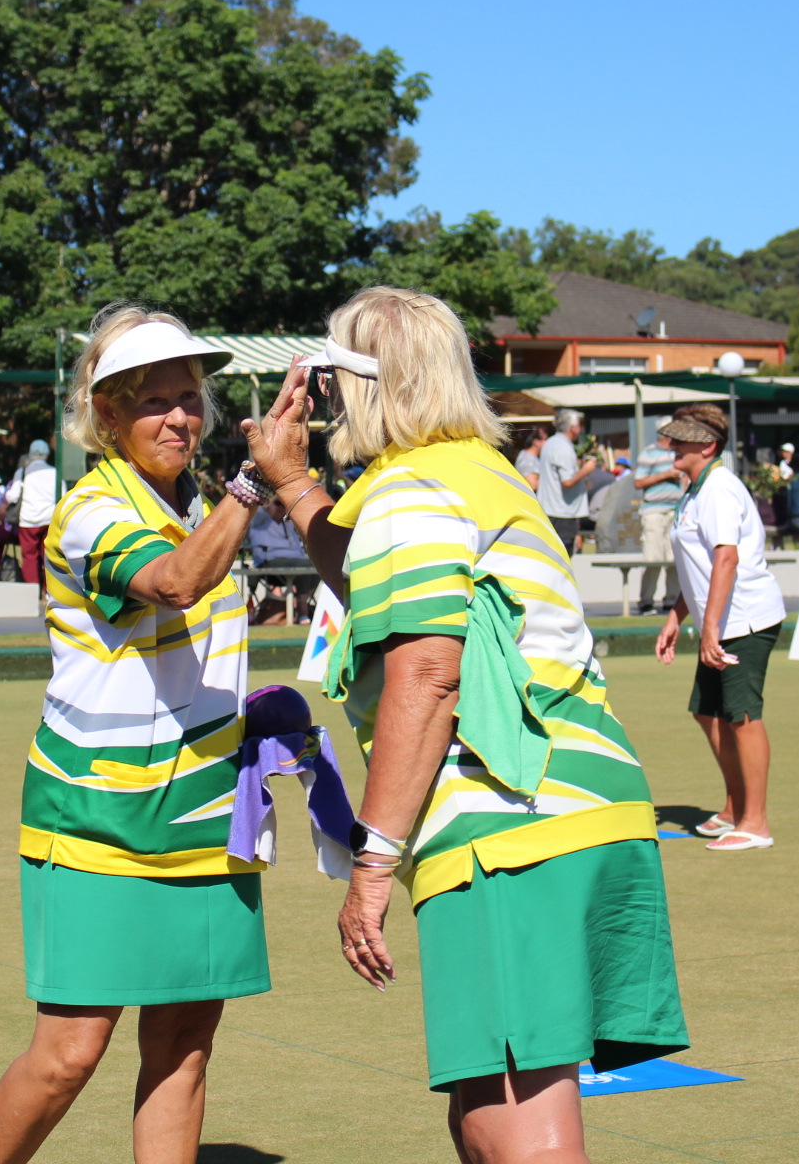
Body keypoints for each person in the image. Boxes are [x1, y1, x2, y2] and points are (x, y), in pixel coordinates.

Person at [239, 285, 685, 1163]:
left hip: (510, 827)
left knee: (518, 1121)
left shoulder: (409, 493)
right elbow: (371, 580)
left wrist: (373, 862)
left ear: (358, 385)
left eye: (327, 377)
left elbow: (428, 677)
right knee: (488, 1108)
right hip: (581, 811)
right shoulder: (472, 471)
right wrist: (294, 484)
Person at [0, 303, 292, 1164]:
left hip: (208, 815)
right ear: (105, 414)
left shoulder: (196, 505)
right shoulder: (89, 510)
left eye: (189, 397)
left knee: (184, 1049)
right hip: (99, 818)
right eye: (153, 400)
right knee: (68, 1054)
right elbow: (177, 584)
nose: (179, 416)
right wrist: (255, 486)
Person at [655, 404, 788, 853]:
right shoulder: (696, 489)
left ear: (708, 445)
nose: (671, 445)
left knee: (743, 716)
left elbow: (725, 560)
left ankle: (756, 822)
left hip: (744, 619)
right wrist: (678, 616)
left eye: (682, 438)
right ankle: (734, 807)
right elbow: (697, 566)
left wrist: (710, 627)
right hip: (722, 619)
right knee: (707, 711)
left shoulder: (720, 491)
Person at [634, 433, 684, 613]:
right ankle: (646, 601)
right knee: (653, 557)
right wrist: (666, 474)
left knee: (674, 558)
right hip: (654, 511)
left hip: (675, 510)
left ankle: (672, 600)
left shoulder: (679, 453)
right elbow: (638, 482)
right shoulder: (649, 453)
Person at [537, 408, 598, 554]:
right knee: (563, 557)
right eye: (579, 425)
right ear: (573, 427)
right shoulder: (562, 447)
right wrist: (586, 470)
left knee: (553, 556)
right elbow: (567, 482)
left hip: (552, 509)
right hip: (561, 513)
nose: (581, 428)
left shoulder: (551, 443)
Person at [0, 440, 58, 586]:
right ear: (47, 454)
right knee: (49, 556)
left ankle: (33, 589)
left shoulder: (23, 472)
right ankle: (48, 590)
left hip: (28, 519)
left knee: (29, 556)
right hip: (50, 519)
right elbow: (62, 494)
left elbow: (12, 496)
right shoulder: (55, 472)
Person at [247, 496, 312, 624]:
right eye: (278, 504)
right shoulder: (259, 521)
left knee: (315, 568)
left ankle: (301, 605)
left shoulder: (288, 523)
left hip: (296, 561)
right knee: (304, 566)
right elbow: (260, 509)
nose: (281, 508)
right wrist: (273, 500)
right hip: (270, 562)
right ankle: (302, 612)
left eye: (283, 505)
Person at [513, 424, 550, 491]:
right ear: (536, 442)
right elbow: (533, 485)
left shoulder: (529, 457)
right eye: (545, 439)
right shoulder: (528, 460)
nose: (547, 442)